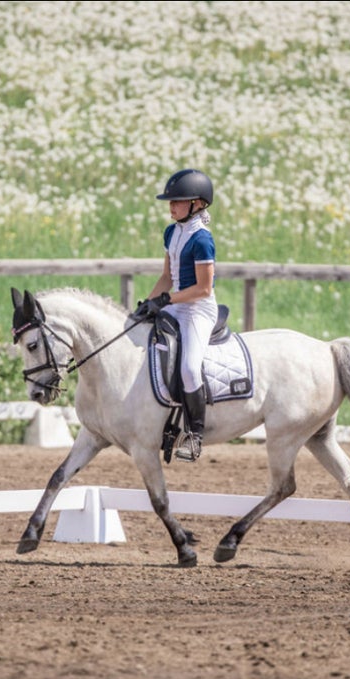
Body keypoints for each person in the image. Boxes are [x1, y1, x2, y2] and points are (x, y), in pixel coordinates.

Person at [136, 168, 218, 462]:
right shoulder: (171, 232)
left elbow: (204, 289)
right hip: (174, 302)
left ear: (197, 203)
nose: (171, 206)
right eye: (170, 202)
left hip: (197, 309)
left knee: (189, 369)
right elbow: (166, 276)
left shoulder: (202, 240)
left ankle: (195, 435)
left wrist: (166, 300)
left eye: (177, 201)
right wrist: (148, 303)